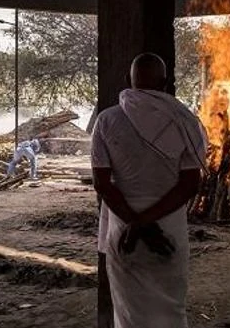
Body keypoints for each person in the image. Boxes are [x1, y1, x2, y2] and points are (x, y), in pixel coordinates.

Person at [92, 53, 207, 328]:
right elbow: (190, 184)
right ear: (167, 83)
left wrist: (135, 223)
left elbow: (102, 184)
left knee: (130, 313)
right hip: (168, 227)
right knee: (170, 309)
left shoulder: (106, 121)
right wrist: (148, 223)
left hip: (123, 227)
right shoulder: (184, 123)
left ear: (126, 81)